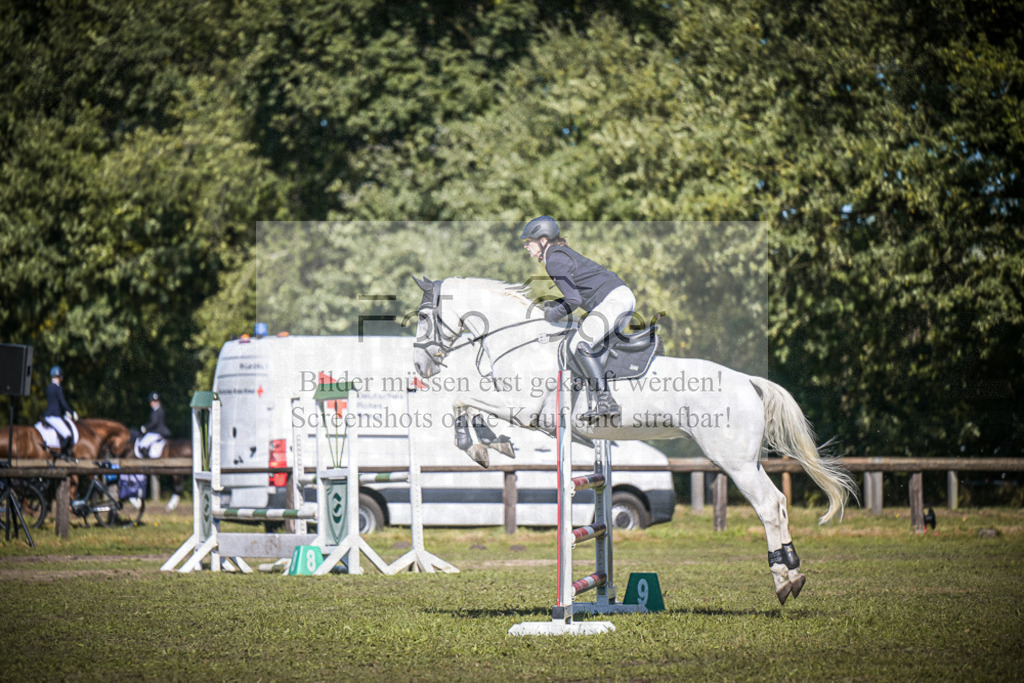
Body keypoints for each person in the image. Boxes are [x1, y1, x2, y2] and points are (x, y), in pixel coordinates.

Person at [520, 216, 636, 423]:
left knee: (579, 344)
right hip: (620, 297)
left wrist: (551, 314)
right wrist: (557, 305)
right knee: (594, 346)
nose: (526, 246)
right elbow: (576, 295)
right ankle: (593, 401)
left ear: (543, 240)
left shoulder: (554, 260)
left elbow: (574, 300)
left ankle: (606, 401)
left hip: (613, 300)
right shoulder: (559, 254)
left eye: (529, 241)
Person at [43, 366, 77, 459]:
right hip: (54, 416)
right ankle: (62, 454)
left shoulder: (49, 387)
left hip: (47, 415)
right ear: (60, 377)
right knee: (68, 435)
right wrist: (71, 412)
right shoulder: (58, 388)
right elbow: (62, 403)